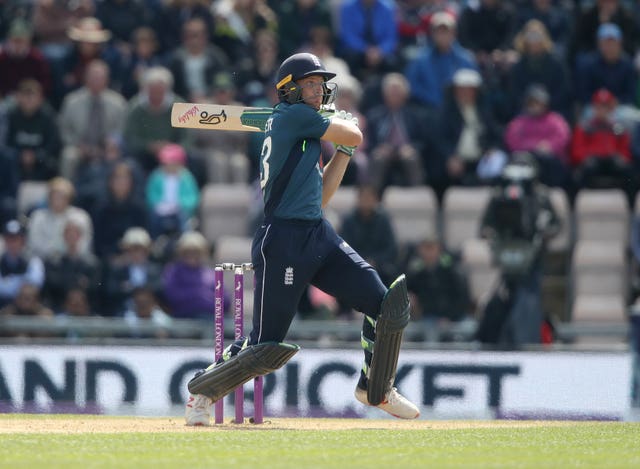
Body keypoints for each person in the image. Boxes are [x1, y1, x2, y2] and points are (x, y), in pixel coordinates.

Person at [185, 52, 420, 426]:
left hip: (317, 233)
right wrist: (346, 127)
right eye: (308, 84)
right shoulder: (295, 117)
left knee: (385, 304)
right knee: (266, 346)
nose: (316, 91)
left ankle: (376, 389)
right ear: (288, 91)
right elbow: (357, 132)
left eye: (319, 85)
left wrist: (342, 151)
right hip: (282, 239)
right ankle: (202, 390)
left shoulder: (303, 131)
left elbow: (322, 196)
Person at [145, 143, 199, 238]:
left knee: (183, 220)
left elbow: (193, 198)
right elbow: (151, 194)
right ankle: (155, 240)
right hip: (161, 210)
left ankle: (183, 239)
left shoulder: (187, 178)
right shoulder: (156, 176)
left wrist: (181, 205)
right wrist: (158, 205)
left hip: (180, 210)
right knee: (153, 218)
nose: (169, 166)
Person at [0, 220, 45, 309]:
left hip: (27, 309)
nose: (13, 243)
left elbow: (34, 286)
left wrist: (8, 282)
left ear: (23, 241)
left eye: (16, 239)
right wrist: (21, 282)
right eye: (9, 239)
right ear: (5, 241)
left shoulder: (33, 261)